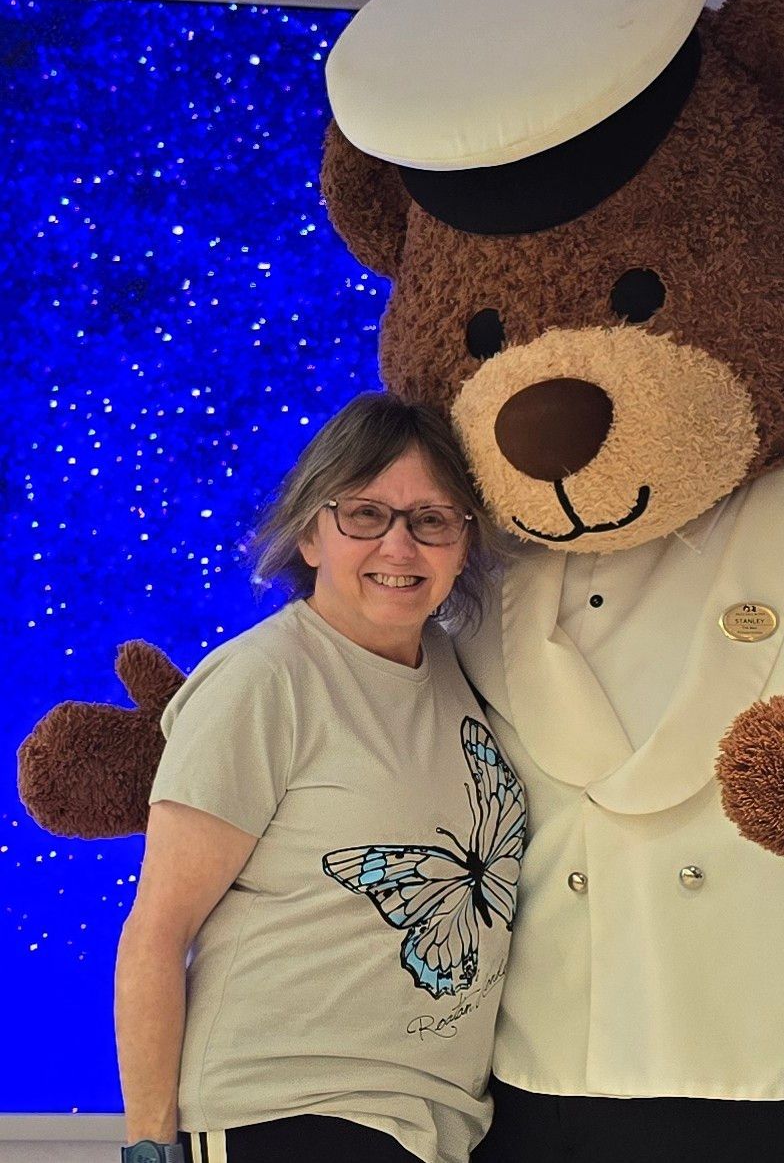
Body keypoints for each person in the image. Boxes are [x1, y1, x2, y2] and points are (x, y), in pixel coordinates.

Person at [114, 392, 525, 1163]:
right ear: (309, 532)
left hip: (433, 1120)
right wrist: (148, 1148)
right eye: (365, 514)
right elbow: (156, 933)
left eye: (432, 519)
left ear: (464, 543)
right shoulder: (262, 682)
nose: (400, 548)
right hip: (287, 1114)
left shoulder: (455, 669)